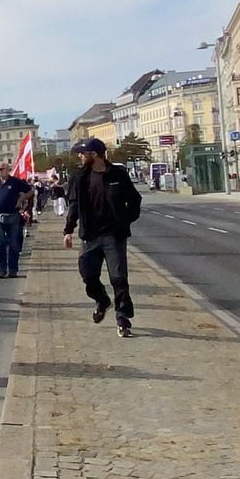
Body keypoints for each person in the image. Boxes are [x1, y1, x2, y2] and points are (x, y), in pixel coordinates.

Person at [62, 138, 144, 337]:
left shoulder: (117, 174)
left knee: (119, 279)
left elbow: (134, 200)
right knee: (88, 275)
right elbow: (73, 205)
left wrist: (125, 220)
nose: (80, 157)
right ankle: (102, 300)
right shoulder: (80, 178)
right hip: (90, 236)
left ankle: (123, 319)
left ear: (95, 154)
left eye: (83, 153)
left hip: (113, 236)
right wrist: (68, 230)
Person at [0, 164, 32, 279]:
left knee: (13, 243)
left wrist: (21, 199)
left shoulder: (15, 181)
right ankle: (1, 269)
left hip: (13, 215)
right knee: (0, 242)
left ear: (7, 170)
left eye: (1, 169)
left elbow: (30, 191)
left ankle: (13, 269)